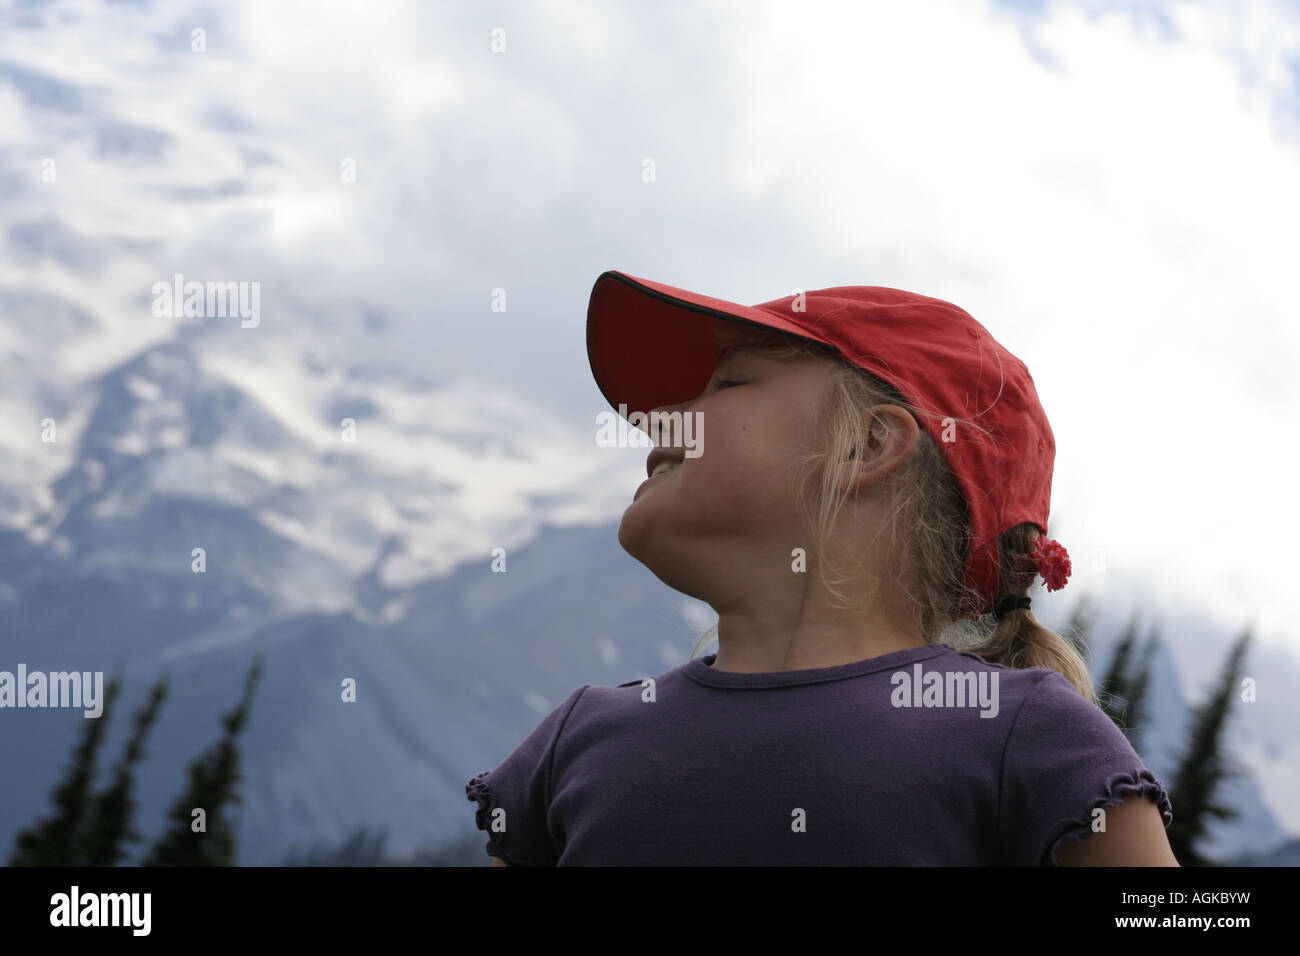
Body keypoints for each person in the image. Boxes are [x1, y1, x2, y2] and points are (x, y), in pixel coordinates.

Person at [466, 270, 1177, 866]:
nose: (661, 418)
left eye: (729, 381)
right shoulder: (574, 742)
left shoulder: (1031, 738)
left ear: (866, 445)